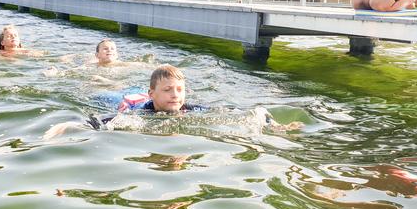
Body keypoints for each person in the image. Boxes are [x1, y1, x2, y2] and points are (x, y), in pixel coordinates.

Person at [43, 64, 301, 139]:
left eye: (179, 89)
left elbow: (245, 112)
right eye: (168, 90)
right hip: (125, 98)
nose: (175, 95)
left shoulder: (190, 109)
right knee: (102, 89)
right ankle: (94, 78)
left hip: (140, 91)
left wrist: (273, 124)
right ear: (153, 94)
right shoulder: (141, 112)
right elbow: (99, 121)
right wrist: (66, 125)